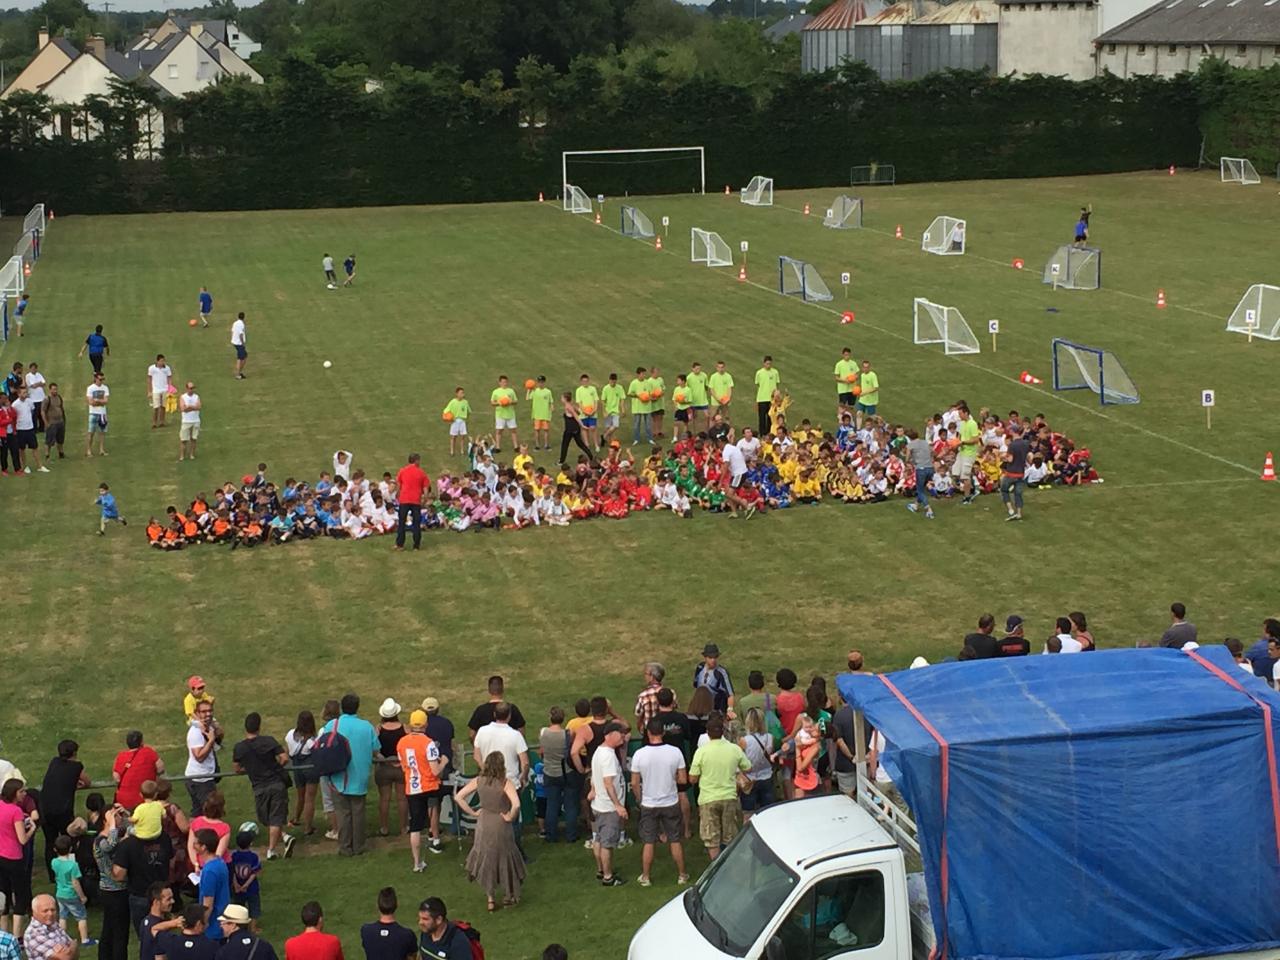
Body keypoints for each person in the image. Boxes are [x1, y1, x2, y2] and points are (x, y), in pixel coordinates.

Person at [453, 752, 524, 910]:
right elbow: (516, 804)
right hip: (500, 824)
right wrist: (510, 816)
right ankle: (509, 895)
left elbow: (458, 797)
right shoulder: (505, 783)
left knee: (487, 859)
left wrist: (472, 813)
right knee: (505, 857)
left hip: (484, 823)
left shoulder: (478, 780)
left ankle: (490, 899)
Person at [630, 718, 688, 887]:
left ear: (648, 733)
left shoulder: (639, 754)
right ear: (663, 732)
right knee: (675, 839)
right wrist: (671, 777)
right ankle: (682, 875)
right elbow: (683, 779)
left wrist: (640, 799)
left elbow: (634, 782)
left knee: (648, 841)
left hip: (649, 803)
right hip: (670, 802)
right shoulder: (675, 752)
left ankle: (646, 876)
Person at [320, 693, 378, 857]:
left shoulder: (331, 725)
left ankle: (345, 847)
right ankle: (358, 846)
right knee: (358, 813)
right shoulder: (367, 726)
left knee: (343, 814)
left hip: (338, 776)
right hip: (359, 775)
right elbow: (376, 749)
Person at [231, 713, 293, 860]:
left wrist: (251, 769)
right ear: (259, 727)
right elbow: (284, 758)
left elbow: (237, 768)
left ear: (245, 728)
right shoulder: (268, 741)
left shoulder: (239, 747)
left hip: (259, 787)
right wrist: (277, 767)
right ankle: (284, 837)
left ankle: (272, 849)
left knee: (268, 818)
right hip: (276, 783)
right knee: (274, 817)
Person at [688, 716, 750, 859]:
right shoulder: (734, 749)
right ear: (723, 731)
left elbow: (692, 778)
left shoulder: (701, 751)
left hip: (708, 798)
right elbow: (748, 767)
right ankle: (730, 864)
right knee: (730, 836)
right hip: (729, 796)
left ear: (707, 733)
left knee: (711, 838)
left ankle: (716, 866)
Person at [395, 711, 445, 873]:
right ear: (426, 725)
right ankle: (435, 839)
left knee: (415, 827)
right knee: (433, 812)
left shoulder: (401, 742)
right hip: (429, 786)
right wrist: (444, 762)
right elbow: (435, 770)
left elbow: (404, 765)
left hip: (412, 787)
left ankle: (417, 863)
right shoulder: (428, 743)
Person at [109, 815, 172, 937]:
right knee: (164, 935)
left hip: (139, 895)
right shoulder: (164, 838)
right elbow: (171, 859)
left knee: (145, 936)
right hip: (163, 893)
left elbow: (119, 875)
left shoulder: (127, 844)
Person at [589, 723, 628, 887]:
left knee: (598, 839)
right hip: (608, 808)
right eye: (620, 734)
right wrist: (618, 805)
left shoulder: (599, 751)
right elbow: (608, 783)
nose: (623, 737)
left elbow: (594, 775)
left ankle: (601, 870)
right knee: (607, 844)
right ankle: (608, 877)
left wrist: (592, 790)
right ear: (610, 735)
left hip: (598, 804)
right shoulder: (608, 757)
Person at [93, 804, 131, 960]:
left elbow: (133, 830)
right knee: (118, 933)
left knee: (110, 929)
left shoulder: (117, 836)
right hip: (112, 891)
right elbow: (110, 845)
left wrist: (127, 816)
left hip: (118, 890)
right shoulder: (101, 840)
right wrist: (112, 824)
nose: (118, 818)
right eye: (115, 816)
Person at [420, 698, 454, 854]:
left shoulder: (422, 726)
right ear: (438, 709)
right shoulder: (447, 723)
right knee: (437, 802)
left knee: (433, 803)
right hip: (446, 766)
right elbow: (450, 743)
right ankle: (436, 830)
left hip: (429, 769)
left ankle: (434, 837)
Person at [373, 700, 407, 838]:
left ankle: (384, 828)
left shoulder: (378, 729)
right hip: (401, 767)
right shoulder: (405, 728)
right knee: (402, 799)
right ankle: (404, 828)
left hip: (383, 767)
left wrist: (383, 759)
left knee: (384, 799)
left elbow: (374, 749)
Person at [52, 837, 93, 948]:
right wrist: (82, 896)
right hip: (72, 895)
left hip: (60, 894)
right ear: (70, 849)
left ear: (55, 849)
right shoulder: (73, 865)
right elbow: (75, 883)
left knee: (63, 916)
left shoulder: (54, 862)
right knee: (81, 917)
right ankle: (85, 939)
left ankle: (61, 940)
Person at [185, 702, 222, 818]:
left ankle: (192, 830)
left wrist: (217, 730)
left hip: (201, 776)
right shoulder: (195, 732)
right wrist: (210, 741)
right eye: (204, 711)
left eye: (210, 711)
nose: (208, 714)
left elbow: (218, 743)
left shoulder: (208, 727)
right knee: (211, 812)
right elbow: (199, 757)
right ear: (197, 713)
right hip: (201, 779)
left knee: (197, 812)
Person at [285, 711, 318, 835]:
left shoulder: (290, 735)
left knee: (300, 796)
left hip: (297, 767)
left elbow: (288, 752)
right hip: (310, 768)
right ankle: (308, 828)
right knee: (310, 799)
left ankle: (296, 818)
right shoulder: (313, 740)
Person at [192, 830, 228, 942]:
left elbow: (208, 905)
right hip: (223, 919)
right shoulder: (220, 862)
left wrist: (203, 924)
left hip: (213, 927)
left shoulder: (209, 871)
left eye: (196, 843)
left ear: (204, 847)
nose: (193, 846)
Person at [360, 889, 416, 960]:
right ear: (397, 905)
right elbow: (412, 957)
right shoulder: (407, 935)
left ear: (377, 906)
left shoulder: (366, 931)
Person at [738, 708, 776, 814]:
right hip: (766, 776)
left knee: (748, 812)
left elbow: (740, 760)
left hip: (749, 779)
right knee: (767, 811)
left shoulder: (744, 740)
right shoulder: (770, 737)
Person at [112, 732, 163, 810]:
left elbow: (117, 779)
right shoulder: (149, 752)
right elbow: (161, 769)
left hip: (124, 802)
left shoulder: (121, 756)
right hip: (146, 800)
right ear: (141, 742)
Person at [394, 453, 430, 551]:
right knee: (416, 523)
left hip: (404, 499)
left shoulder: (402, 471)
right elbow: (425, 487)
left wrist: (398, 494)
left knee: (401, 522)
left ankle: (400, 544)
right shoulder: (421, 472)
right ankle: (416, 545)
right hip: (416, 500)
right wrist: (425, 498)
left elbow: (399, 484)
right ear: (416, 461)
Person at [24, 895, 77, 960]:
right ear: (34, 912)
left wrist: (72, 947)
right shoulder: (33, 933)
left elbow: (75, 951)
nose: (50, 914)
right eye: (45, 911)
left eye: (53, 910)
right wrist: (72, 947)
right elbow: (65, 958)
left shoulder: (54, 924)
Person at [137, 882, 179, 960]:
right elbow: (160, 957)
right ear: (156, 902)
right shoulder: (159, 928)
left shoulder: (145, 921)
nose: (173, 901)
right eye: (168, 899)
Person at [11, 387, 47, 474]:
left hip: (30, 429)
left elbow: (32, 411)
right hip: (20, 429)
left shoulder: (30, 402)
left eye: (26, 392)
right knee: (22, 449)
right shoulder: (15, 405)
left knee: (35, 447)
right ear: (19, 394)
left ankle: (40, 466)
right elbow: (13, 417)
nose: (25, 394)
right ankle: (24, 466)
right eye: (23, 393)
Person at [693, 644, 734, 715]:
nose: (713, 660)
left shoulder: (721, 672)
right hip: (700, 709)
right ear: (705, 657)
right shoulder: (700, 667)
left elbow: (730, 694)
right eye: (710, 657)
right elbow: (696, 686)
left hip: (715, 711)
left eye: (715, 657)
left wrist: (730, 710)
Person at [1000, 423, 1030, 521]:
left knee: (1004, 490)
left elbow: (1010, 460)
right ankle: (1019, 513)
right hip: (1021, 473)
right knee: (1018, 493)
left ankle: (1011, 510)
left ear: (1013, 432)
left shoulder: (1012, 445)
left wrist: (1003, 457)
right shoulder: (1025, 443)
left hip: (1011, 473)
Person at [904, 427, 935, 519]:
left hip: (921, 469)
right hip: (930, 468)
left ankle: (928, 509)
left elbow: (907, 458)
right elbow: (932, 452)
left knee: (920, 490)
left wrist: (910, 462)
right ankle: (916, 505)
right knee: (921, 488)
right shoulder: (925, 442)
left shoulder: (910, 445)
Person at [228, 832, 260, 920]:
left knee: (238, 909)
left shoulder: (233, 856)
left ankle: (240, 924)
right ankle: (253, 926)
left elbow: (232, 872)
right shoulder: (254, 857)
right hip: (252, 888)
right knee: (254, 909)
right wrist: (246, 885)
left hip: (237, 888)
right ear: (251, 843)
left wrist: (236, 884)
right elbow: (254, 873)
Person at [557, 393, 594, 466]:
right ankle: (591, 456)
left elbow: (576, 416)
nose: (561, 399)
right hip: (575, 428)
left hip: (570, 429)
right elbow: (579, 412)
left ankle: (561, 461)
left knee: (565, 444)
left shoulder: (568, 407)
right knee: (580, 444)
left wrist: (582, 425)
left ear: (565, 399)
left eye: (562, 398)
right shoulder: (571, 406)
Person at [489, 376, 519, 452]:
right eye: (502, 382)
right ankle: (498, 447)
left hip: (510, 414)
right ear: (499, 383)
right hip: (500, 414)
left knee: (513, 430)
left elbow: (516, 401)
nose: (504, 383)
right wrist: (499, 403)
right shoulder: (496, 392)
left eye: (505, 382)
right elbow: (492, 402)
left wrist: (510, 402)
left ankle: (516, 446)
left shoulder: (511, 391)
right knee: (499, 430)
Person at [753, 356, 779, 437]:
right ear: (764, 363)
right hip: (762, 398)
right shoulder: (759, 373)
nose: (768, 365)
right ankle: (762, 434)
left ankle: (769, 433)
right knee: (762, 418)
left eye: (770, 364)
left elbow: (776, 384)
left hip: (772, 399)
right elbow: (758, 384)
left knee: (771, 417)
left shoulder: (775, 372)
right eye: (767, 364)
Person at [85, 372, 109, 457]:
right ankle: (88, 450)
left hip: (102, 414)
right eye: (100, 379)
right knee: (91, 432)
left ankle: (101, 450)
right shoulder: (90, 388)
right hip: (93, 413)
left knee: (102, 432)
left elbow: (106, 401)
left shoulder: (105, 388)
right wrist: (100, 402)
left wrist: (97, 401)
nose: (101, 381)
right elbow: (91, 402)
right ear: (95, 379)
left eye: (102, 379)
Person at [634, 663, 665, 730]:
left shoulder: (643, 696)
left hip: (649, 731)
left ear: (652, 677)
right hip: (665, 730)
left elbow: (639, 717)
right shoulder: (671, 693)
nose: (645, 676)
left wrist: (641, 730)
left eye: (646, 674)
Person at [573, 374, 599, 451]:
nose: (585, 383)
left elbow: (596, 400)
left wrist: (594, 410)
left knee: (593, 428)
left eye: (586, 381)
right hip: (583, 414)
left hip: (592, 413)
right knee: (584, 429)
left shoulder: (593, 389)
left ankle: (596, 445)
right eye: (584, 381)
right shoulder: (578, 390)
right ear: (581, 382)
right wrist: (584, 411)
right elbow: (579, 402)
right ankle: (587, 444)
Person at [146, 356, 173, 430]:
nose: (162, 362)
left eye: (163, 361)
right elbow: (149, 379)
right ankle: (154, 422)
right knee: (156, 407)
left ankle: (162, 422)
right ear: (157, 361)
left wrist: (170, 389)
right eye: (161, 361)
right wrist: (149, 391)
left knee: (163, 407)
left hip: (165, 389)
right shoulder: (152, 368)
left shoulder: (167, 368)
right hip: (156, 390)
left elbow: (169, 378)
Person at [627, 366, 652, 444]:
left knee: (648, 425)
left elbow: (650, 393)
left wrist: (648, 397)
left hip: (647, 407)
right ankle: (636, 439)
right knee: (636, 424)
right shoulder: (634, 383)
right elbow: (629, 394)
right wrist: (638, 396)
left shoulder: (647, 383)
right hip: (637, 407)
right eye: (642, 374)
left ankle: (650, 439)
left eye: (644, 374)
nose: (644, 375)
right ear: (638, 374)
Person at [177, 383, 201, 462]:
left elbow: (199, 407)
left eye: (193, 388)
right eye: (190, 388)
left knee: (194, 439)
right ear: (187, 388)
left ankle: (192, 455)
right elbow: (183, 409)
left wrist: (189, 407)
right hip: (186, 421)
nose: (192, 390)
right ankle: (182, 456)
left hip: (195, 421)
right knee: (183, 440)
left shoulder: (196, 397)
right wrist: (193, 407)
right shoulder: (183, 397)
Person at [42, 382, 66, 461]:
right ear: (50, 390)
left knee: (60, 439)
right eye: (53, 389)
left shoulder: (59, 397)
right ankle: (47, 455)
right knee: (49, 440)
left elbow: (61, 408)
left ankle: (61, 453)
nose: (55, 391)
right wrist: (46, 422)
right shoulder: (47, 399)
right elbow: (43, 411)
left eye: (56, 389)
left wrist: (63, 419)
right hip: (51, 423)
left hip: (60, 422)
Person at [442, 389, 470, 457]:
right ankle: (452, 451)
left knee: (462, 436)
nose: (462, 394)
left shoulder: (465, 402)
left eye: (463, 393)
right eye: (461, 393)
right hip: (455, 421)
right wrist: (449, 418)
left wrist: (466, 418)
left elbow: (468, 411)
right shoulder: (453, 402)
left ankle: (462, 451)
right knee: (453, 436)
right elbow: (446, 410)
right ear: (457, 394)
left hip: (462, 421)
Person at [854, 359, 879, 429]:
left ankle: (879, 425)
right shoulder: (862, 375)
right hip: (863, 400)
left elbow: (876, 388)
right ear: (862, 368)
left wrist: (864, 393)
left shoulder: (873, 375)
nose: (866, 369)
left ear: (869, 367)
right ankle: (858, 429)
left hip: (871, 401)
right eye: (864, 367)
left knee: (872, 417)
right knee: (859, 413)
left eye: (867, 367)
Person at [230, 314, 247, 380]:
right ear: (244, 318)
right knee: (241, 358)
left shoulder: (235, 323)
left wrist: (232, 339)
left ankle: (239, 373)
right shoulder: (241, 324)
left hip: (235, 342)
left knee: (244, 356)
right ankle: (238, 374)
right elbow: (241, 335)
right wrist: (243, 344)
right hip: (239, 344)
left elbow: (232, 331)